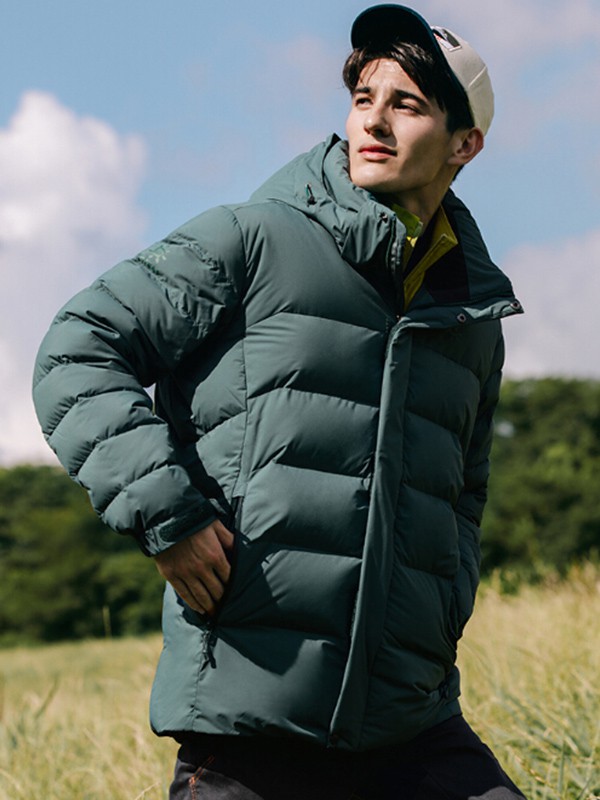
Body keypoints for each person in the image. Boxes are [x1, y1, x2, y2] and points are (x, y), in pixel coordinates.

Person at [33, 4, 527, 799]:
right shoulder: (253, 238)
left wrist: (442, 610)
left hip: (411, 723)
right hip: (252, 719)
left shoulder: (471, 316)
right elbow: (77, 348)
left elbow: (464, 492)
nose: (375, 121)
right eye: (364, 98)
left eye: (406, 104)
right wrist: (170, 516)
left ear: (464, 144)